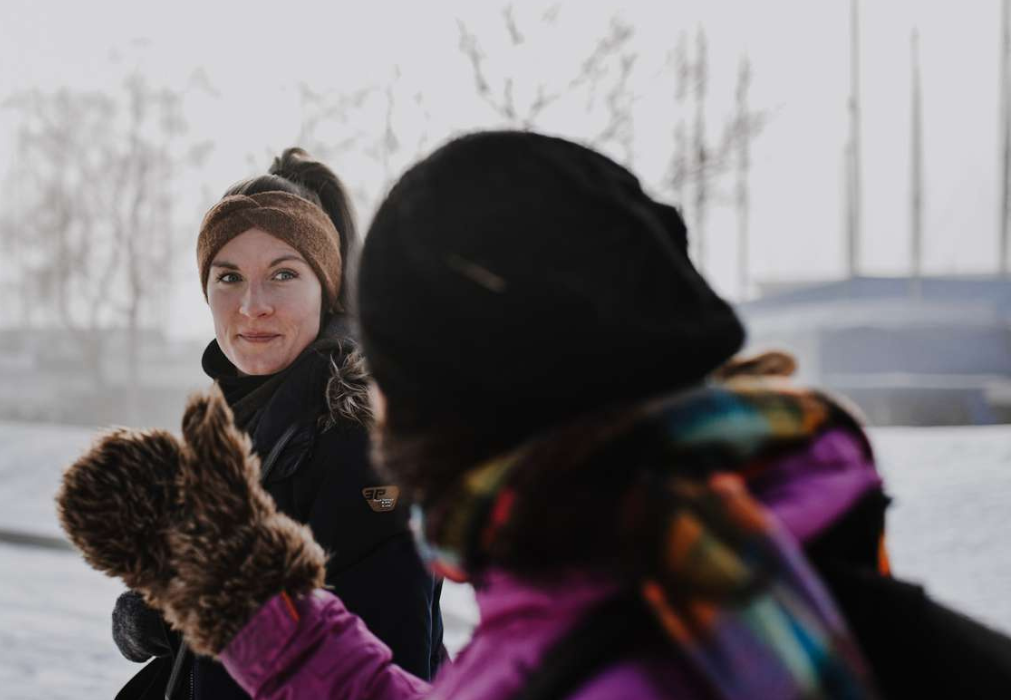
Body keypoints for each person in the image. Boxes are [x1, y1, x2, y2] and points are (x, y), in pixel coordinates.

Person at [58, 132, 1009, 698]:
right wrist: (244, 596)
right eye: (227, 277)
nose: (251, 305)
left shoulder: (608, 638)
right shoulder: (758, 565)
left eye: (402, 381)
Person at [98, 147, 444, 700]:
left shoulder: (358, 444)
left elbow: (389, 674)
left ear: (325, 288)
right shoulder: (238, 424)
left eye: (283, 274)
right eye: (228, 276)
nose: (251, 304)